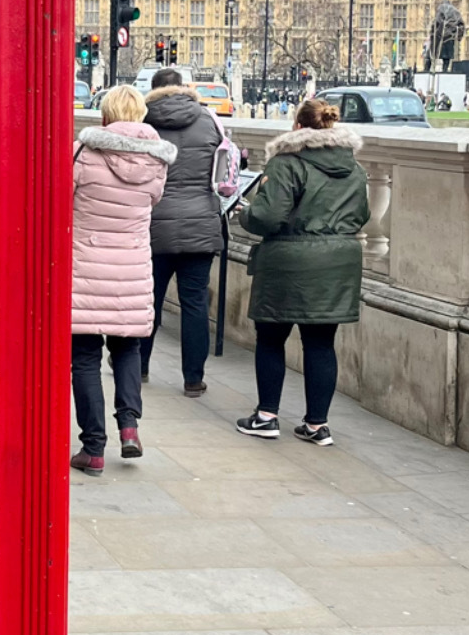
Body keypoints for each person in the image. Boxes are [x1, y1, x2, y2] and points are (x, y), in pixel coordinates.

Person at [235, 96, 369, 448]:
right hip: (338, 261)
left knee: (271, 339)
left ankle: (266, 416)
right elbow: (362, 214)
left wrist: (244, 212)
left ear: (297, 126)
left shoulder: (286, 163)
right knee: (321, 343)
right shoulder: (354, 167)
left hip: (289, 260)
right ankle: (317, 424)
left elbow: (267, 217)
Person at [70, 83, 175, 476]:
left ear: (106, 115)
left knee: (84, 359)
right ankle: (129, 430)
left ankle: (93, 448)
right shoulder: (157, 162)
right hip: (132, 268)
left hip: (86, 268)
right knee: (127, 352)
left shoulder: (83, 153)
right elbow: (152, 202)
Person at [139, 68, 223, 396]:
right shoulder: (210, 120)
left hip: (154, 225)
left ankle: (140, 365)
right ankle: (193, 379)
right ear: (183, 87)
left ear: (153, 89)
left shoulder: (144, 122)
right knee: (195, 304)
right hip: (201, 223)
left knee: (151, 300)